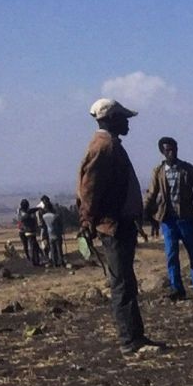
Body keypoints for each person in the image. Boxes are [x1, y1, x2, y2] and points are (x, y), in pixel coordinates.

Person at [77, 98, 159, 354]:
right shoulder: (105, 147)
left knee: (125, 281)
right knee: (122, 283)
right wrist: (87, 220)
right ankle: (130, 341)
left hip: (117, 224)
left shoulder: (107, 145)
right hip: (113, 225)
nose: (127, 123)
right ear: (111, 119)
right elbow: (89, 188)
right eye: (123, 118)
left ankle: (135, 337)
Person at [144, 136, 193, 299]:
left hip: (187, 218)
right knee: (171, 255)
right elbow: (152, 193)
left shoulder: (187, 169)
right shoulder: (158, 171)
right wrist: (146, 212)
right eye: (168, 150)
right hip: (168, 220)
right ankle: (177, 289)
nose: (171, 152)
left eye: (174, 149)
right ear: (162, 151)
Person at [37, 196, 65, 267]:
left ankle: (54, 263)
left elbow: (42, 224)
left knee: (52, 249)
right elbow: (60, 225)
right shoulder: (55, 216)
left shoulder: (44, 216)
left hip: (50, 235)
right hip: (57, 234)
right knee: (59, 249)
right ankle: (61, 262)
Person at [17, 200, 42, 266]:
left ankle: (34, 260)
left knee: (32, 246)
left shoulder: (20, 212)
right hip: (29, 231)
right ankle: (34, 261)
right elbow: (28, 213)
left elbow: (30, 211)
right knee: (33, 247)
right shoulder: (25, 215)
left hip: (25, 232)